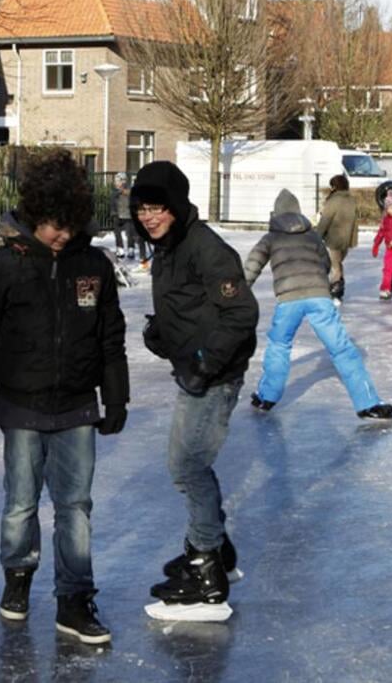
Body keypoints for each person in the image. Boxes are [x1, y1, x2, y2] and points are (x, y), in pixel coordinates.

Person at [0, 149, 128, 645]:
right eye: (54, 224)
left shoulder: (91, 264)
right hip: (22, 405)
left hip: (76, 404)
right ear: (34, 215)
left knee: (75, 506)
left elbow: (109, 337)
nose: (63, 234)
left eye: (71, 224)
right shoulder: (3, 266)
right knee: (21, 503)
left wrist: (116, 397)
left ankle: (74, 598)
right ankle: (18, 574)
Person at [132, 161, 259, 623]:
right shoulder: (167, 247)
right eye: (143, 208)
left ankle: (207, 571)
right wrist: (163, 334)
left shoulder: (206, 248)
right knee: (189, 464)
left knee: (187, 466)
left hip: (214, 375)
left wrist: (205, 360)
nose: (149, 217)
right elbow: (190, 305)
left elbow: (241, 313)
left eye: (158, 208)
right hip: (193, 369)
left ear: (177, 207)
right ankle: (216, 549)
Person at [244, 189, 392, 419]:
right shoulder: (311, 235)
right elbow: (326, 264)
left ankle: (266, 397)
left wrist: (241, 290)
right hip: (319, 297)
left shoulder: (271, 238)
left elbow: (253, 265)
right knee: (341, 348)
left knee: (279, 345)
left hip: (288, 299)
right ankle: (369, 403)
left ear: (275, 214)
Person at [314, 174, 358, 304]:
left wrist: (317, 235)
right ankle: (338, 288)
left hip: (334, 237)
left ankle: (335, 290)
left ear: (334, 186)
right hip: (347, 238)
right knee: (338, 264)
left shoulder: (333, 200)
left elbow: (325, 220)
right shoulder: (351, 199)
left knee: (335, 266)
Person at [110, 172, 147, 264]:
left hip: (129, 215)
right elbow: (112, 202)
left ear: (123, 181)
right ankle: (120, 248)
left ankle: (131, 249)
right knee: (117, 232)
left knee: (130, 232)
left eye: (118, 181)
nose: (116, 183)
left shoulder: (129, 190)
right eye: (116, 181)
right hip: (118, 215)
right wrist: (113, 212)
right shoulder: (115, 192)